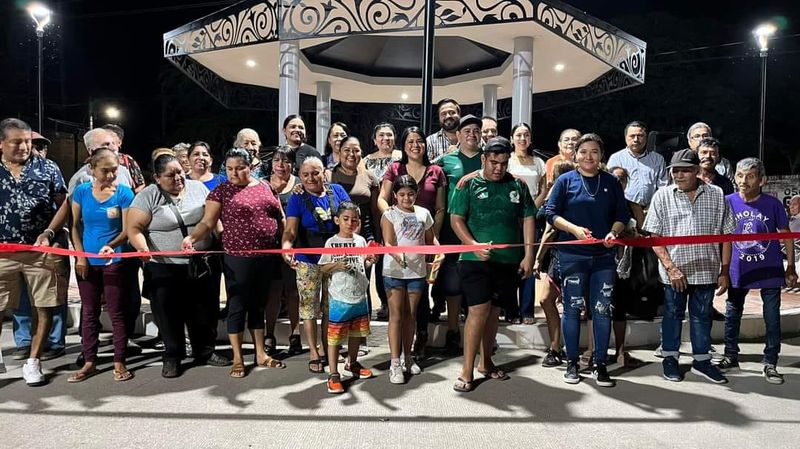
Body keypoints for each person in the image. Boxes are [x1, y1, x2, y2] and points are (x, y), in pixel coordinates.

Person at [183, 148, 286, 378]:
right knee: (237, 306)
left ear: (250, 167)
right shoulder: (222, 191)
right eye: (229, 169)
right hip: (237, 259)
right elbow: (208, 222)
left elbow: (280, 217)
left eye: (239, 168)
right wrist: (192, 237)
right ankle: (238, 359)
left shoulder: (266, 186)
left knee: (259, 306)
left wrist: (285, 244)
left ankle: (261, 353)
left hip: (266, 257)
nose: (234, 173)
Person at [128, 154, 231, 378]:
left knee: (205, 310)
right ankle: (173, 356)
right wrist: (142, 248)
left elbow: (213, 219)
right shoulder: (148, 196)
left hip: (201, 263)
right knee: (168, 313)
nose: (178, 178)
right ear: (157, 178)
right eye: (170, 175)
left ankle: (205, 350)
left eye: (179, 172)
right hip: (165, 267)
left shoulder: (199, 189)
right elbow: (134, 228)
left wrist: (222, 240)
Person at [450, 137, 536, 392]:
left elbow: (529, 218)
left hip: (507, 261)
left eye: (503, 162)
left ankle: (486, 363)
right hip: (474, 260)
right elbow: (456, 219)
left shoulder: (517, 185)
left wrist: (529, 255)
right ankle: (466, 370)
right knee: (478, 310)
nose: (498, 168)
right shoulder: (467, 184)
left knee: (494, 313)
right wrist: (473, 244)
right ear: (483, 159)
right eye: (493, 162)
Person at [642, 149, 734, 384]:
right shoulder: (662, 196)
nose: (679, 175)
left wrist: (724, 272)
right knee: (672, 315)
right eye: (675, 170)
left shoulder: (716, 194)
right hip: (674, 272)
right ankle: (670, 358)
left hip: (706, 269)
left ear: (697, 171)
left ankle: (702, 361)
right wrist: (671, 267)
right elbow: (655, 236)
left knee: (702, 316)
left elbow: (726, 236)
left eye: (685, 170)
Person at [546, 133, 629, 387]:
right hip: (573, 257)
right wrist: (573, 229)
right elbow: (550, 213)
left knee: (602, 310)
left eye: (594, 151)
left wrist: (613, 232)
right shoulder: (564, 180)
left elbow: (622, 214)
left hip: (603, 257)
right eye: (583, 152)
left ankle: (600, 363)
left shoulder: (611, 182)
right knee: (572, 309)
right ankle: (571, 362)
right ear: (575, 154)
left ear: (601, 155)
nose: (588, 157)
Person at [0, 118, 68, 383]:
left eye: (27, 141)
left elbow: (64, 204)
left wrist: (49, 232)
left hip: (40, 252)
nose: (24, 147)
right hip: (4, 252)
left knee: (44, 306)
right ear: (2, 143)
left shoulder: (48, 168)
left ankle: (34, 361)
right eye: (17, 142)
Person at [718, 158, 797, 384]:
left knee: (772, 317)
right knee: (732, 314)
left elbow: (786, 236)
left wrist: (790, 266)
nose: (744, 181)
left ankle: (770, 361)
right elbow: (723, 239)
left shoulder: (772, 205)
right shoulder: (727, 202)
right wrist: (723, 269)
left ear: (762, 180)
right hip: (737, 270)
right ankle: (730, 355)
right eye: (740, 176)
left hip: (769, 270)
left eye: (750, 176)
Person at [379, 126, 447, 360]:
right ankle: (396, 360)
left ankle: (412, 353)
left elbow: (439, 210)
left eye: (420, 141)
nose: (415, 145)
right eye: (410, 141)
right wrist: (391, 214)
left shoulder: (435, 172)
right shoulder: (394, 172)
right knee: (397, 314)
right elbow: (387, 236)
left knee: (414, 312)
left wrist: (434, 247)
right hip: (394, 267)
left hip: (419, 260)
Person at [68, 148, 134, 383]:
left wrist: (111, 246)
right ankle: (89, 361)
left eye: (114, 170)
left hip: (114, 259)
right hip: (87, 260)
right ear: (92, 169)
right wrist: (81, 256)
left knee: (116, 312)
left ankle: (119, 360)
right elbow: (75, 226)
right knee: (89, 312)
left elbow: (127, 230)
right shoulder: (82, 191)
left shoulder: (124, 193)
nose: (110, 175)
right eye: (105, 170)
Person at [282, 157, 351, 374]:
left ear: (324, 172)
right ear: (300, 176)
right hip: (307, 261)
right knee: (309, 309)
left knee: (332, 307)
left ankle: (328, 347)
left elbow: (350, 219)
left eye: (316, 173)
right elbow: (290, 230)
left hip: (335, 259)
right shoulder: (298, 197)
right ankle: (313, 351)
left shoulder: (337, 191)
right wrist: (286, 247)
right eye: (305, 174)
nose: (311, 178)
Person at [382, 175, 439, 384]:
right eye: (402, 194)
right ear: (395, 195)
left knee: (411, 315)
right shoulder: (389, 214)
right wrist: (397, 254)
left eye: (411, 194)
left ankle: (408, 357)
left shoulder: (424, 213)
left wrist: (439, 252)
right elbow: (387, 242)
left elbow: (431, 238)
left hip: (417, 272)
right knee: (396, 315)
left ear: (417, 194)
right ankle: (394, 362)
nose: (407, 198)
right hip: (393, 272)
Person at [436, 115, 484, 353]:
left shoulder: (489, 158)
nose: (472, 135)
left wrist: (475, 174)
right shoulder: (446, 160)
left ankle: (483, 336)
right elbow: (423, 172)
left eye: (477, 130)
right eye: (467, 131)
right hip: (452, 229)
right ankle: (453, 330)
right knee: (452, 284)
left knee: (480, 283)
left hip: (482, 228)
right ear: (458, 134)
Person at [318, 201, 376, 393]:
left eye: (354, 219)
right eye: (346, 219)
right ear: (337, 220)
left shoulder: (360, 241)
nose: (350, 223)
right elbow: (322, 267)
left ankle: (352, 363)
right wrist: (336, 266)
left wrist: (369, 260)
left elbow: (363, 265)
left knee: (356, 334)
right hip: (339, 298)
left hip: (359, 296)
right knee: (335, 337)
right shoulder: (331, 243)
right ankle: (333, 372)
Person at [533, 159, 575, 366]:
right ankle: (557, 347)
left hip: (566, 255)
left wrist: (537, 259)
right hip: (559, 255)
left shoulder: (562, 197)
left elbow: (550, 231)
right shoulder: (558, 194)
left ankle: (564, 350)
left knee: (566, 304)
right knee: (548, 300)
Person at [363, 122, 402, 320]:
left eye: (389, 135)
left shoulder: (402, 157)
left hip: (400, 215)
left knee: (395, 256)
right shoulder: (366, 161)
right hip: (375, 215)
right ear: (374, 139)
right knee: (378, 258)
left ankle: (394, 302)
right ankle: (381, 303)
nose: (385, 138)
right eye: (381, 135)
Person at [266, 147, 302, 356]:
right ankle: (269, 334)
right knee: (272, 292)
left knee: (293, 292)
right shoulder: (262, 184)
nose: (281, 164)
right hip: (270, 245)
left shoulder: (299, 184)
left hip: (294, 245)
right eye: (277, 160)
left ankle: (295, 334)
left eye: (286, 161)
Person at [607, 121, 668, 228]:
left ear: (646, 137)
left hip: (652, 211)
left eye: (640, 136)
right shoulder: (616, 158)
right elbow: (610, 187)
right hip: (624, 212)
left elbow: (663, 187)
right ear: (626, 137)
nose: (636, 139)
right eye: (632, 136)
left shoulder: (658, 159)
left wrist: (651, 208)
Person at [102, 124, 146, 193]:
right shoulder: (95, 160)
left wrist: (129, 196)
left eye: (111, 136)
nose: (107, 140)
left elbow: (141, 184)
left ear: (119, 142)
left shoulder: (127, 160)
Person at [426, 98, 461, 163]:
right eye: (443, 114)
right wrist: (445, 156)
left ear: (459, 115)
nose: (448, 116)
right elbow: (425, 168)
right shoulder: (430, 141)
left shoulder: (471, 136)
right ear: (439, 117)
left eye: (452, 112)